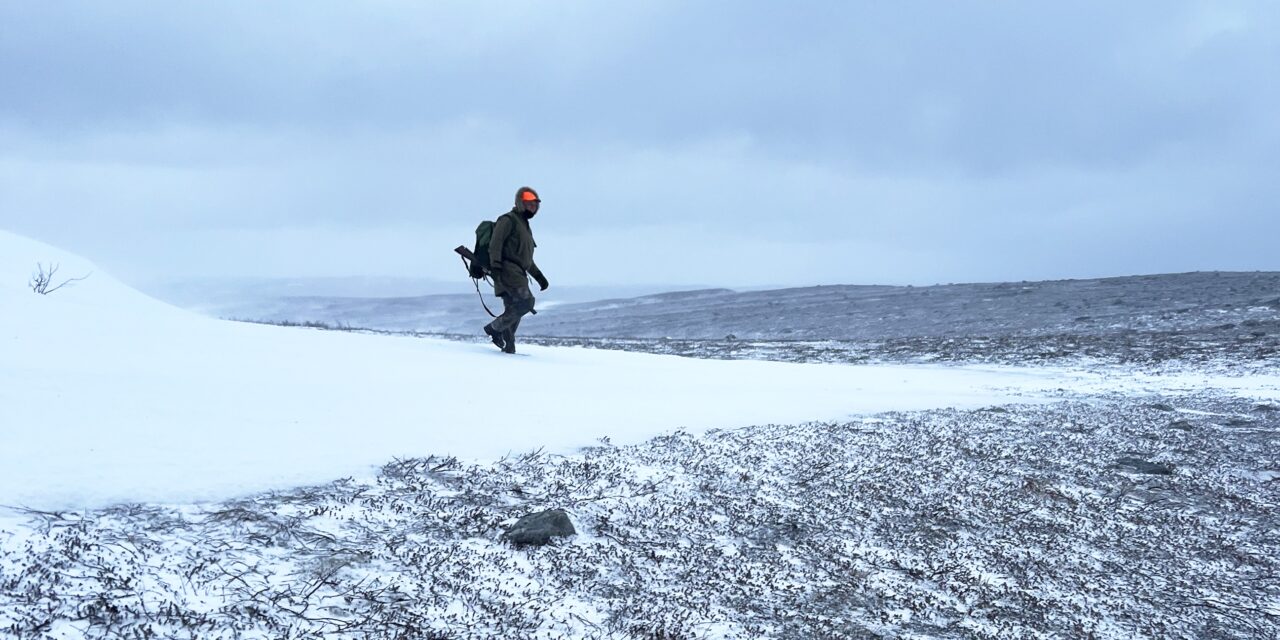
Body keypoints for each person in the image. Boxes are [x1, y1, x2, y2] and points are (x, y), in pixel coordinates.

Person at [483, 186, 549, 354]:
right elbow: (495, 245)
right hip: (507, 271)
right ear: (520, 203)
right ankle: (494, 328)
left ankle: (508, 349)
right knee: (526, 303)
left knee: (513, 311)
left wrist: (539, 277)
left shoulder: (525, 226)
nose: (532, 208)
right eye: (529, 204)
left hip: (517, 272)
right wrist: (496, 268)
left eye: (535, 205)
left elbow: (526, 259)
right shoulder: (508, 220)